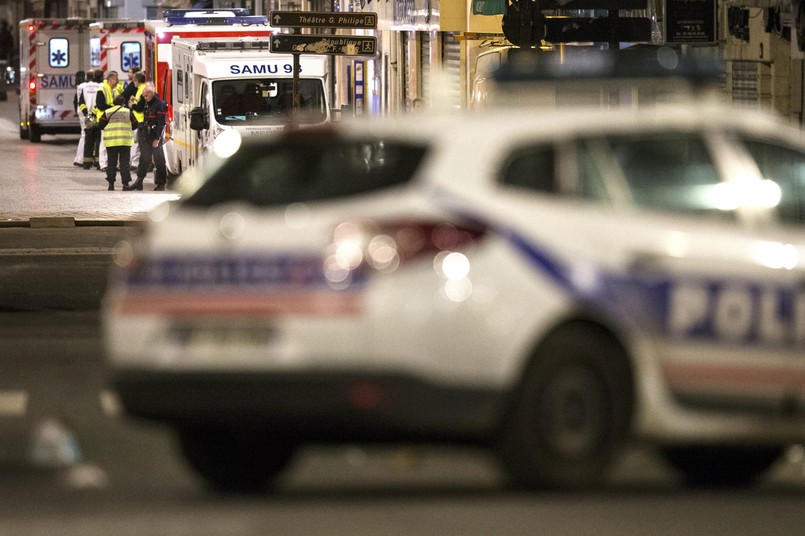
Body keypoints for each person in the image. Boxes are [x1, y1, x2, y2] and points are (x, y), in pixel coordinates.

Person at [131, 83, 168, 191]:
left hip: (155, 137)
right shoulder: (148, 104)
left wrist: (157, 139)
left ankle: (161, 184)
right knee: (144, 159)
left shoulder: (159, 104)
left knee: (159, 160)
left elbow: (161, 124)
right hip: (147, 136)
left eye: (146, 96)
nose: (144, 98)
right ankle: (139, 181)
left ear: (151, 94)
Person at [99, 95, 138, 191]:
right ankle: (125, 184)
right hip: (125, 141)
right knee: (124, 163)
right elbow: (135, 124)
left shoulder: (107, 112)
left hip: (111, 142)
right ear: (123, 103)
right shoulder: (128, 112)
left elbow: (101, 125)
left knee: (112, 163)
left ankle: (111, 184)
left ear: (114, 103)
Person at [95, 70, 122, 172]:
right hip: (104, 119)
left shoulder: (112, 89)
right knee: (104, 142)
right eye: (116, 79)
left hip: (112, 119)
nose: (118, 81)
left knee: (113, 142)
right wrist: (113, 107)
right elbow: (100, 105)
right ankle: (103, 164)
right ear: (111, 80)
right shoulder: (102, 89)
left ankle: (112, 164)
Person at [77, 70, 101, 169]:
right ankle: (98, 162)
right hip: (97, 115)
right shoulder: (100, 86)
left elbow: (81, 102)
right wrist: (94, 114)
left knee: (88, 139)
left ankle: (87, 163)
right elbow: (99, 101)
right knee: (98, 139)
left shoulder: (84, 87)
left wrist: (87, 114)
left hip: (88, 115)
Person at [126, 71, 146, 169]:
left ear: (137, 81)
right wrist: (134, 100)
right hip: (138, 120)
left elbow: (140, 107)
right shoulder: (140, 89)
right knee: (137, 143)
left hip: (140, 120)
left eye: (134, 81)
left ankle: (136, 163)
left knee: (138, 143)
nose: (133, 83)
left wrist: (132, 105)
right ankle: (135, 162)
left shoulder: (142, 90)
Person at [72, 70, 86, 167]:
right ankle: (80, 158)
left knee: (83, 135)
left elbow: (75, 101)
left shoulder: (79, 87)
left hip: (81, 112)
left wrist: (77, 111)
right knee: (85, 135)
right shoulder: (86, 86)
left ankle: (79, 158)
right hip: (86, 113)